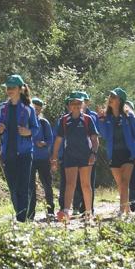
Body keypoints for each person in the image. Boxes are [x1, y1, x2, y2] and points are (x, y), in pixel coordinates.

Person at [0, 74, 39, 222]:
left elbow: (36, 128)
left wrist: (28, 132)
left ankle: (22, 218)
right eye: (8, 88)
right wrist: (0, 129)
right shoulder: (2, 107)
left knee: (23, 187)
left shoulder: (29, 108)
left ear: (20, 89)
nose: (9, 90)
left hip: (25, 153)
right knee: (12, 187)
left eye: (12, 88)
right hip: (8, 153)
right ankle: (21, 214)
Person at [51, 92, 99, 221]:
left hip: (85, 155)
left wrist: (93, 153)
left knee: (85, 184)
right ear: (69, 106)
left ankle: (88, 212)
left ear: (83, 105)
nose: (76, 105)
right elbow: (58, 140)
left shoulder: (88, 119)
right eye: (73, 103)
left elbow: (95, 139)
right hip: (70, 155)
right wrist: (54, 158)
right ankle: (66, 212)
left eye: (79, 103)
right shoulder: (64, 120)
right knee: (70, 184)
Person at [97, 88, 135, 215]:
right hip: (114, 154)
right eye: (111, 96)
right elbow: (105, 135)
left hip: (128, 153)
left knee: (125, 182)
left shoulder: (129, 116)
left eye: (114, 96)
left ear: (120, 101)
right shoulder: (107, 117)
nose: (111, 98)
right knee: (120, 184)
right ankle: (127, 209)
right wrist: (101, 120)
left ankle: (121, 210)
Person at [29, 97, 55, 220]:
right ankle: (30, 214)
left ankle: (50, 211)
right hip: (29, 158)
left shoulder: (44, 123)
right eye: (34, 109)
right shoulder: (25, 122)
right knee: (30, 186)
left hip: (43, 158)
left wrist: (43, 143)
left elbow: (50, 140)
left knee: (47, 185)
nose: (36, 112)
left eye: (38, 110)